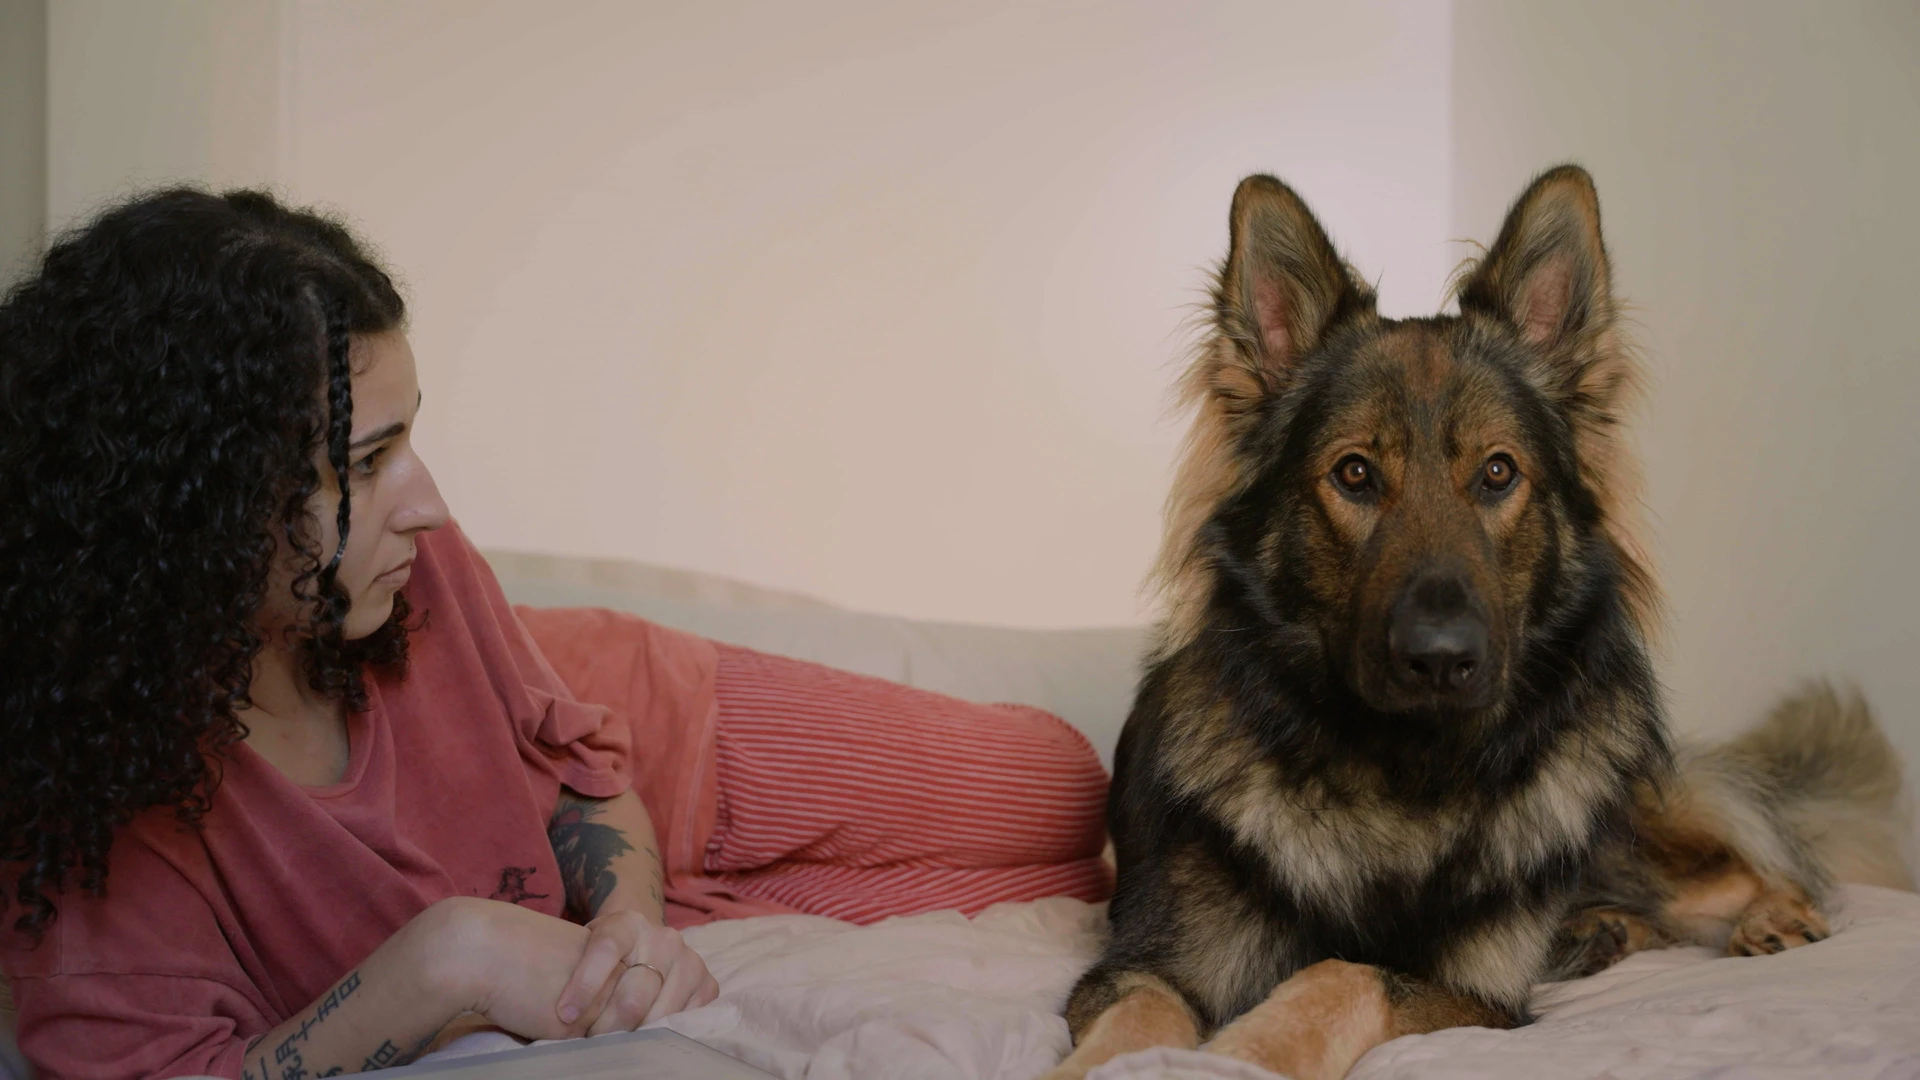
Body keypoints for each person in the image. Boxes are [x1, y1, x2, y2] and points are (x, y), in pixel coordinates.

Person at [0, 190, 1111, 1079]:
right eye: (365, 463)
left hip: (679, 753)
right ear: (204, 508)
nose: (428, 505)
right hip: (624, 932)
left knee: (1066, 788)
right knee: (1073, 906)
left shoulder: (418, 567)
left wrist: (627, 915)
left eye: (410, 442)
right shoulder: (88, 819)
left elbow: (591, 776)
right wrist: (445, 965)